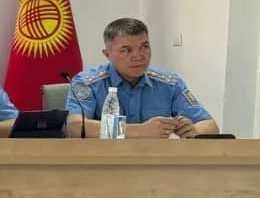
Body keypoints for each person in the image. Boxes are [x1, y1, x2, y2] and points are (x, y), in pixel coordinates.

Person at [66, 17, 220, 138]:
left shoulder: (169, 83)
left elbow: (211, 126)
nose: (138, 56)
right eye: (127, 50)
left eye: (144, 47)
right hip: (103, 162)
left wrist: (193, 130)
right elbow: (75, 127)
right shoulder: (88, 82)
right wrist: (139, 131)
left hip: (156, 163)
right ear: (107, 54)